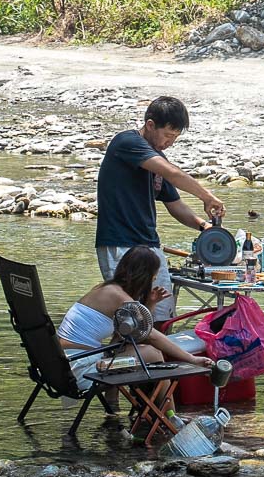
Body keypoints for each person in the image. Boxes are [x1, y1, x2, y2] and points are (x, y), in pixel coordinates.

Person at [95, 96, 226, 320]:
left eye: (175, 137)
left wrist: (205, 228)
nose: (169, 142)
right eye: (167, 135)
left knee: (160, 314)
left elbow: (175, 205)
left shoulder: (157, 159)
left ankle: (155, 355)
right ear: (150, 125)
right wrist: (207, 196)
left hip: (149, 247)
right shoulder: (127, 142)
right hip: (121, 245)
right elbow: (173, 174)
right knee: (131, 318)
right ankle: (131, 355)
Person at [58, 246, 214, 410]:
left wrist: (150, 304)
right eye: (154, 276)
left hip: (63, 365)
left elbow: (130, 335)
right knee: (152, 353)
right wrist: (192, 359)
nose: (154, 280)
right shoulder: (119, 297)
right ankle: (170, 417)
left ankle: (114, 410)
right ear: (146, 276)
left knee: (130, 349)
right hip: (81, 369)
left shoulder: (103, 288)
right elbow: (150, 335)